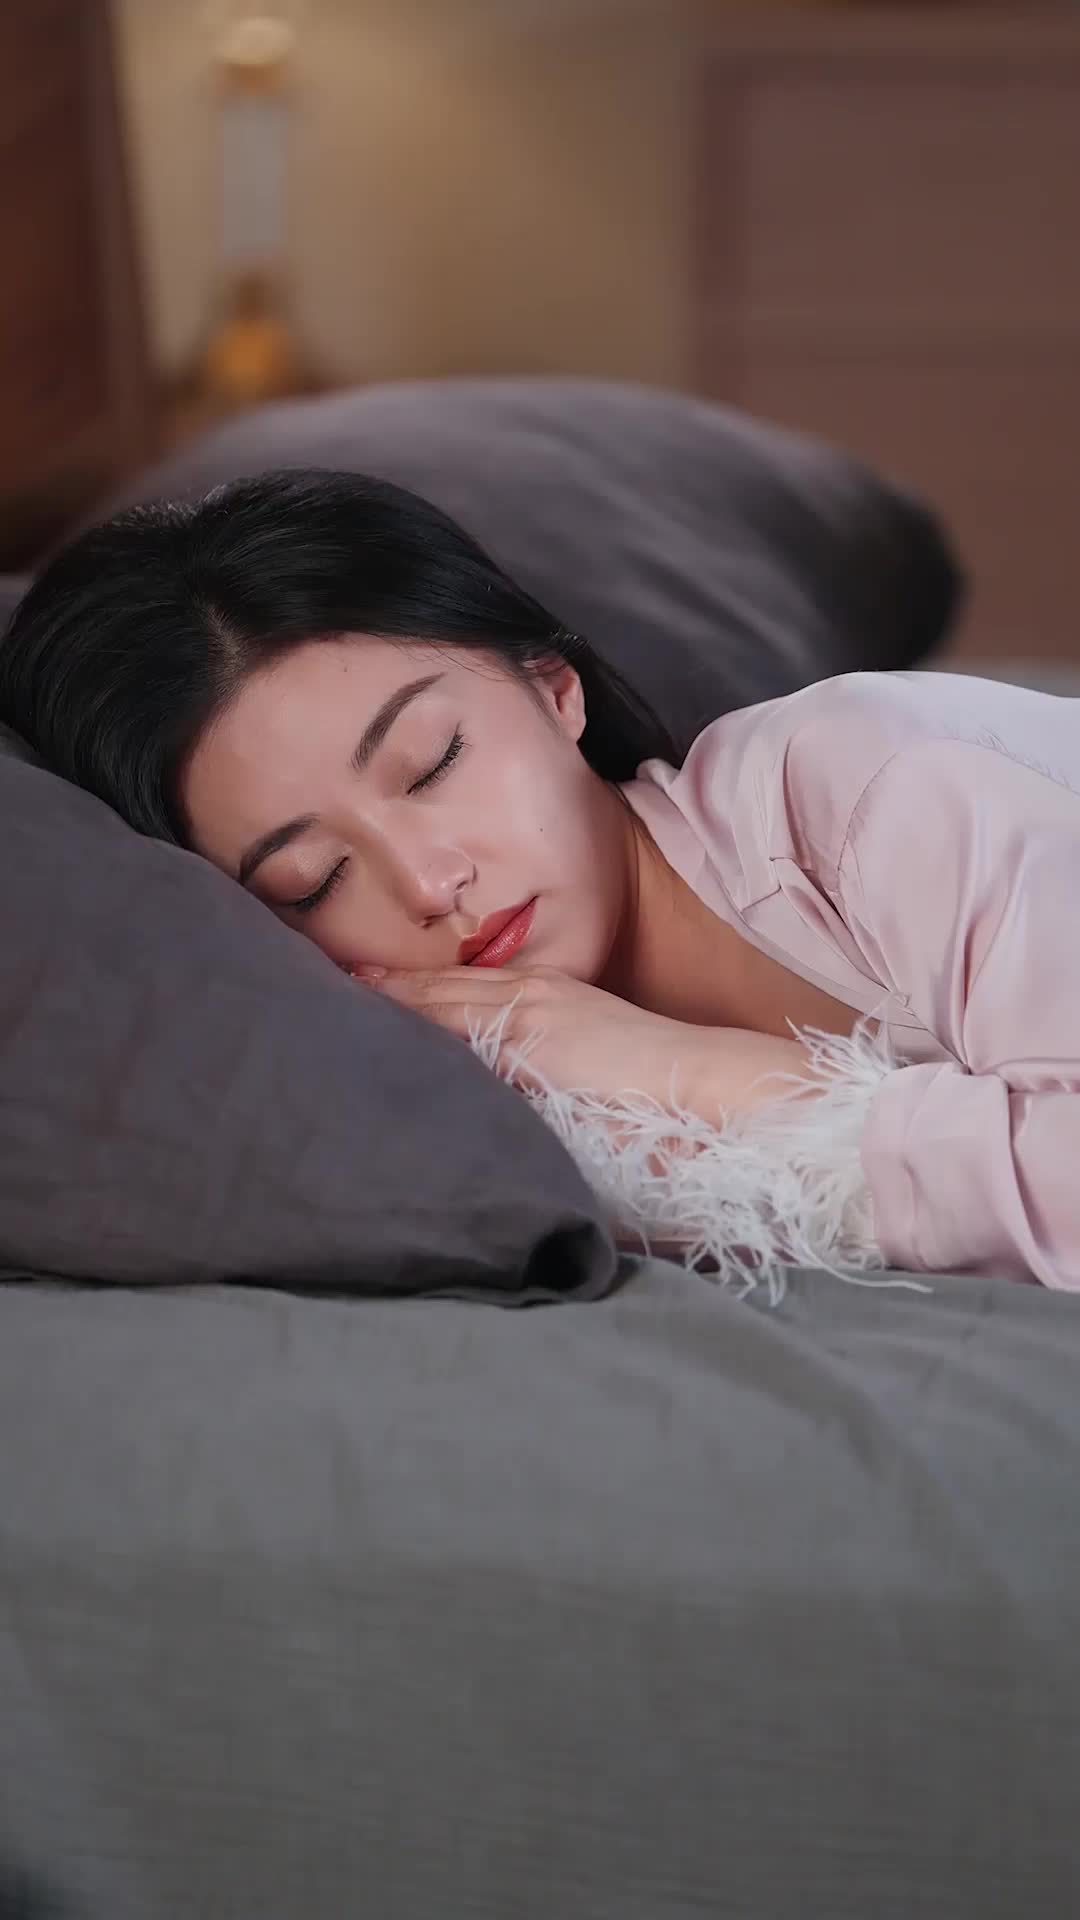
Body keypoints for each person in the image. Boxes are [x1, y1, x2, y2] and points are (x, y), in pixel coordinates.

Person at [2, 468, 1078, 1290]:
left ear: (555, 688)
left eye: (434, 763)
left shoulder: (877, 783)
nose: (430, 883)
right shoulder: (470, 1107)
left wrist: (680, 1068)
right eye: (313, 880)